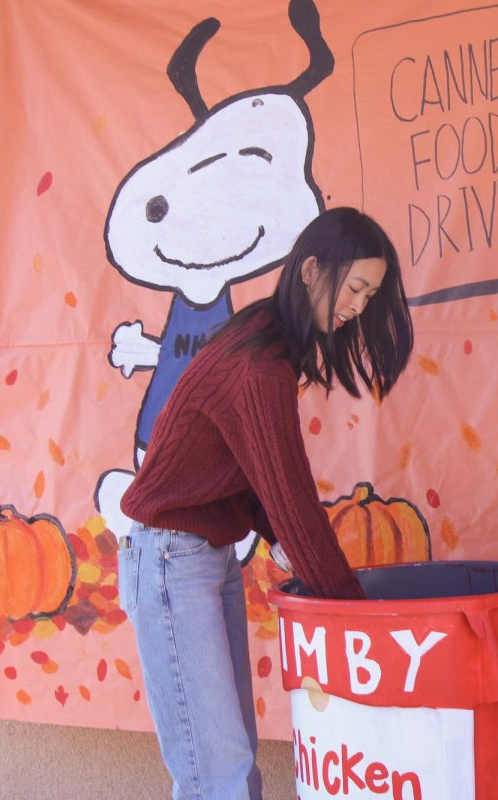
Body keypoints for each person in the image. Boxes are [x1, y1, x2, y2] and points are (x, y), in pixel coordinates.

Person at [116, 207, 414, 800]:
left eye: (371, 294)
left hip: (200, 558)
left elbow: (255, 485)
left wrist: (284, 546)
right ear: (311, 270)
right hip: (173, 562)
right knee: (217, 775)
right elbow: (291, 502)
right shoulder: (259, 365)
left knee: (230, 765)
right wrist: (357, 619)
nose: (359, 305)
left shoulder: (266, 341)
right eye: (354, 287)